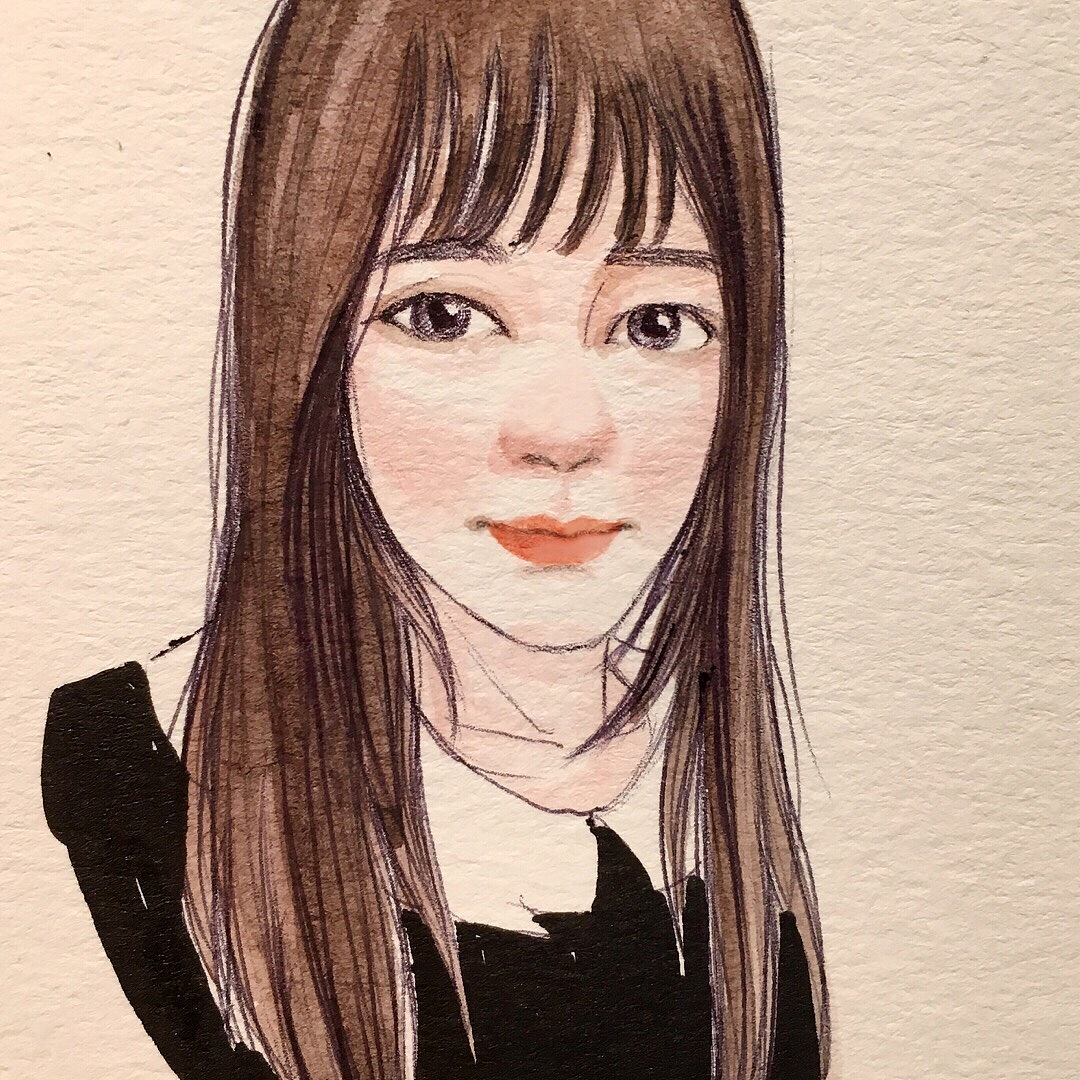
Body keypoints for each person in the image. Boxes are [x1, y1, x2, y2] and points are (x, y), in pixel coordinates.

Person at [43, 0, 829, 1077]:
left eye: (656, 324)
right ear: (307, 328)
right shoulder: (133, 771)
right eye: (446, 315)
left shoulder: (755, 803)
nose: (564, 431)